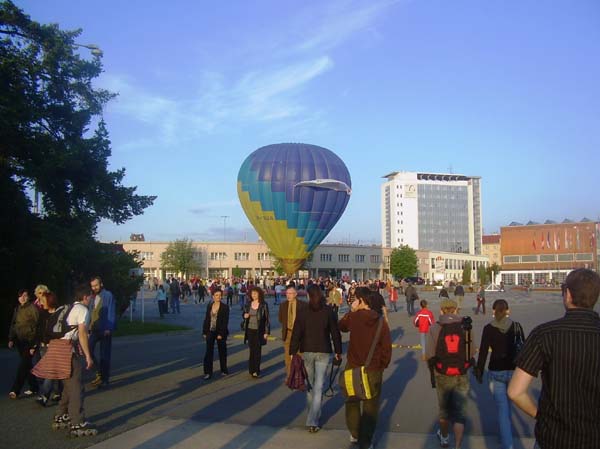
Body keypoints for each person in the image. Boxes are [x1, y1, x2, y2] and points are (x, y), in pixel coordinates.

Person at [508, 268, 600, 449]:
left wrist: (539, 415)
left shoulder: (544, 334)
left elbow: (515, 392)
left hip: (553, 438)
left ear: (567, 294)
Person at [339, 285, 392, 449]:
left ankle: (355, 433)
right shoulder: (380, 321)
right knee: (371, 405)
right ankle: (366, 440)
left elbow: (341, 326)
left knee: (352, 401)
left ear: (361, 300)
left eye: (355, 299)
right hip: (373, 368)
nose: (353, 301)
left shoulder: (353, 317)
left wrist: (352, 311)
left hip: (353, 366)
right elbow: (386, 348)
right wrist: (382, 364)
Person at [289, 284, 342, 433]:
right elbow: (335, 332)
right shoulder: (328, 311)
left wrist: (293, 351)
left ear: (308, 295)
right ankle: (313, 418)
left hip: (307, 351)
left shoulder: (303, 311)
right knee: (318, 387)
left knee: (310, 386)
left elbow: (297, 332)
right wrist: (338, 351)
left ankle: (312, 416)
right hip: (323, 351)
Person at [426, 298, 475, 449]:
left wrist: (433, 373)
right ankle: (458, 445)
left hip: (442, 373)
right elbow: (471, 351)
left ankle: (445, 438)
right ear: (456, 310)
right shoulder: (466, 327)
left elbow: (429, 354)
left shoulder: (435, 328)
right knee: (460, 413)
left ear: (441, 311)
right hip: (461, 372)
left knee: (444, 411)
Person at [475, 299, 523, 449]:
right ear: (508, 310)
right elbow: (524, 348)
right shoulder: (516, 326)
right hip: (514, 371)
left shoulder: (488, 328)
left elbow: (483, 352)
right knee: (507, 406)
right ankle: (504, 434)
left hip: (496, 371)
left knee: (502, 408)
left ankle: (507, 443)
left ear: (494, 311)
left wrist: (479, 371)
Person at [52, 286, 97, 437]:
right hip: (67, 350)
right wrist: (88, 355)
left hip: (56, 348)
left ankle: (61, 415)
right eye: (90, 296)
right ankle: (77, 422)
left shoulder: (67, 307)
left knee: (68, 385)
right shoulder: (83, 310)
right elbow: (83, 334)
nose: (91, 299)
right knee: (76, 386)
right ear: (85, 297)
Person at [8, 289, 40, 399]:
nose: (23, 297)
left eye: (25, 295)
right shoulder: (17, 308)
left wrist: (34, 344)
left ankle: (15, 390)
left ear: (29, 297)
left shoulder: (32, 308)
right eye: (21, 296)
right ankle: (34, 386)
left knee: (23, 366)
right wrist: (11, 338)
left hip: (30, 341)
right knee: (27, 365)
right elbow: (14, 324)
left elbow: (38, 326)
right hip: (20, 341)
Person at [36, 291, 64, 406]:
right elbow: (39, 330)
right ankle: (58, 392)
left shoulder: (59, 314)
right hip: (44, 346)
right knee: (52, 371)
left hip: (55, 346)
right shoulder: (42, 314)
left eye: (43, 301)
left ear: (50, 301)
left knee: (51, 371)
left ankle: (44, 395)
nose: (41, 304)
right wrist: (38, 343)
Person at [88, 276, 116, 388]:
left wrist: (109, 328)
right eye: (92, 286)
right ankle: (99, 372)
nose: (94, 287)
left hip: (105, 329)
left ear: (101, 284)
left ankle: (105, 379)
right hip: (94, 329)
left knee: (105, 355)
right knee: (88, 350)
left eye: (96, 285)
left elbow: (111, 311)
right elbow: (89, 312)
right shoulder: (91, 297)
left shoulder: (108, 295)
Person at [278, 284, 308, 379]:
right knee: (288, 355)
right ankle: (289, 375)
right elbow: (281, 319)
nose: (288, 295)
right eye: (287, 293)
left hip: (299, 333)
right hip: (288, 332)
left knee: (298, 355)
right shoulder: (283, 305)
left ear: (295, 294)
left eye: (290, 293)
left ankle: (298, 375)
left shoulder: (303, 305)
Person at [242, 286, 270, 378]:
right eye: (252, 293)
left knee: (257, 350)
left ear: (259, 294)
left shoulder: (263, 305)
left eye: (255, 293)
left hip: (260, 330)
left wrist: (266, 332)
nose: (253, 295)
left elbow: (267, 319)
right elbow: (244, 313)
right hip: (250, 329)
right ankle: (251, 369)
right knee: (251, 350)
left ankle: (256, 371)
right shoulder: (248, 304)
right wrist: (244, 315)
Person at [202, 288, 229, 379]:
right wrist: (204, 332)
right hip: (210, 331)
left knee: (222, 351)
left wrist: (221, 333)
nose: (219, 297)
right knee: (208, 352)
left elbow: (225, 322)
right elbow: (206, 319)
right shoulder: (210, 305)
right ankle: (208, 372)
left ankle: (224, 370)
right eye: (216, 295)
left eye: (220, 295)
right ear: (213, 296)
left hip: (220, 332)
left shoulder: (225, 307)